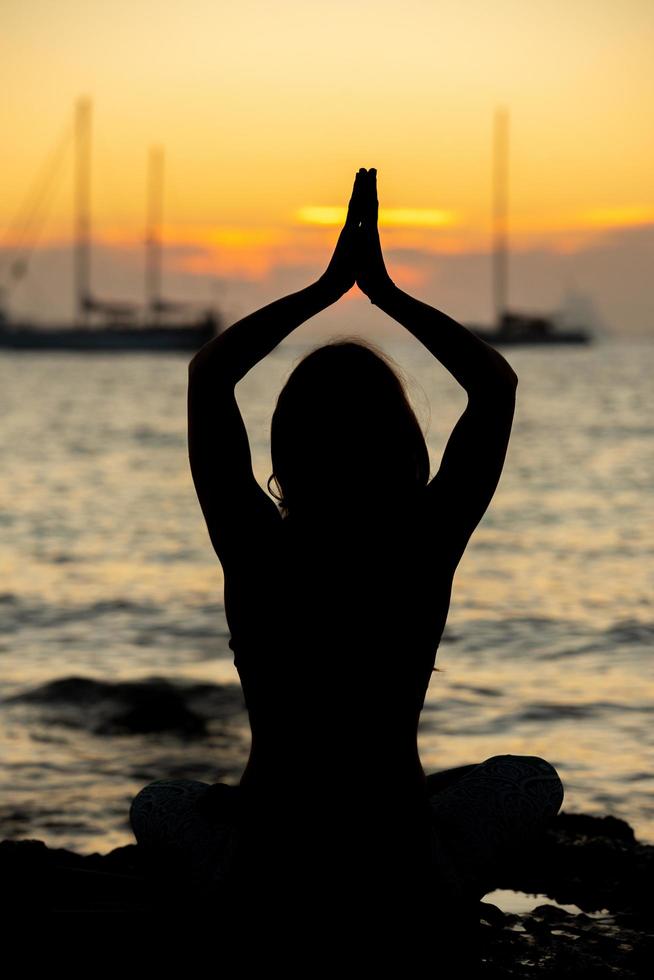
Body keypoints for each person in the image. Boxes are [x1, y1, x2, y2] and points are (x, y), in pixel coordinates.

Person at [129, 168, 564, 949]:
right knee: (529, 780)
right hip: (402, 879)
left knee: (162, 801)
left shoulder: (254, 545)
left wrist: (326, 288)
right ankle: (433, 853)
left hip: (264, 878)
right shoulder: (424, 545)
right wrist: (384, 292)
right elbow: (494, 386)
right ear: (403, 446)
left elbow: (210, 375)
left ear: (289, 451)